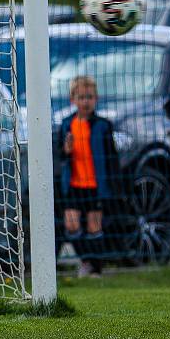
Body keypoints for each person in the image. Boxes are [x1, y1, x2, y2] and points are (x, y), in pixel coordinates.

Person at [58, 75, 121, 278]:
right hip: (74, 184)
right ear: (72, 99)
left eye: (89, 97)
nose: (85, 101)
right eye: (81, 97)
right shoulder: (67, 125)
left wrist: (114, 185)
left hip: (96, 185)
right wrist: (66, 150)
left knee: (95, 227)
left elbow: (112, 158)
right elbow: (59, 155)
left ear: (96, 99)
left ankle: (96, 267)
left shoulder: (103, 125)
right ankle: (85, 260)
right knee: (71, 224)